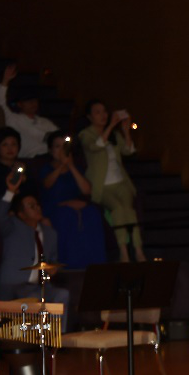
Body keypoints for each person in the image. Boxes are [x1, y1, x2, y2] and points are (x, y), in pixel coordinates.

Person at [78, 99, 145, 262]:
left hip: (121, 182)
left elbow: (128, 151)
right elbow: (95, 147)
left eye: (104, 112)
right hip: (102, 185)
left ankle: (138, 250)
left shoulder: (114, 134)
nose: (103, 115)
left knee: (129, 210)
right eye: (97, 112)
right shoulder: (86, 134)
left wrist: (125, 131)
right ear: (89, 117)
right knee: (117, 209)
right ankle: (123, 250)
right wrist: (110, 126)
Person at [0, 187, 68, 316]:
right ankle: (36, 329)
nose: (37, 208)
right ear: (21, 214)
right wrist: (10, 191)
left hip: (37, 286)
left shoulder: (50, 233)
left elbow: (53, 260)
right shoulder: (12, 227)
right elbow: (0, 216)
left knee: (62, 294)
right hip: (13, 284)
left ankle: (58, 330)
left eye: (37, 205)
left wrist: (53, 268)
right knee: (34, 298)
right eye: (31, 206)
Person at [39, 131, 107, 269]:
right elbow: (47, 184)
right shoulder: (47, 168)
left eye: (64, 146)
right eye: (57, 146)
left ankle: (96, 264)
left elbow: (86, 190)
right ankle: (69, 264)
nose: (61, 150)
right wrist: (60, 166)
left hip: (75, 205)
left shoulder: (75, 168)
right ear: (51, 150)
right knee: (66, 215)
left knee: (92, 213)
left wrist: (70, 165)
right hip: (55, 208)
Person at [0, 65, 58, 158]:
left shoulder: (45, 122)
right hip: (31, 158)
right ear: (20, 104)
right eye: (28, 101)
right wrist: (5, 80)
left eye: (34, 100)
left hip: (51, 157)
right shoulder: (14, 119)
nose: (33, 103)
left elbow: (59, 137)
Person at [0, 127, 37, 229]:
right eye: (5, 145)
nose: (10, 149)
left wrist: (24, 179)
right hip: (1, 211)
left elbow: (33, 191)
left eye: (13, 144)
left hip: (23, 212)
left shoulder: (24, 167)